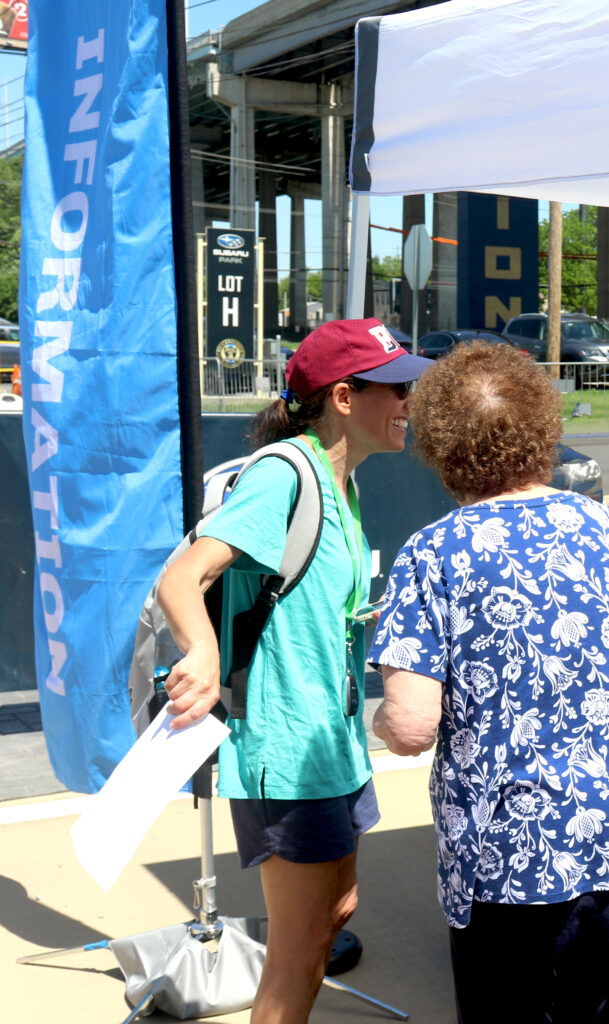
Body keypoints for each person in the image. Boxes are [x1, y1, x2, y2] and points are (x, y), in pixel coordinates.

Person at [367, 341, 609, 1023]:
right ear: (542, 429)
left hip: (510, 853)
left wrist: (380, 720)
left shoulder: (433, 552)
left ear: (444, 446)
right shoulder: (601, 526)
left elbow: (412, 727)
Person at [158, 318, 431, 1024]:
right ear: (343, 397)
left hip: (334, 747)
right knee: (299, 950)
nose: (409, 401)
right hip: (287, 753)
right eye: (396, 387)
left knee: (334, 915)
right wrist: (203, 653)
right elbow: (182, 578)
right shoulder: (284, 472)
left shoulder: (343, 483)